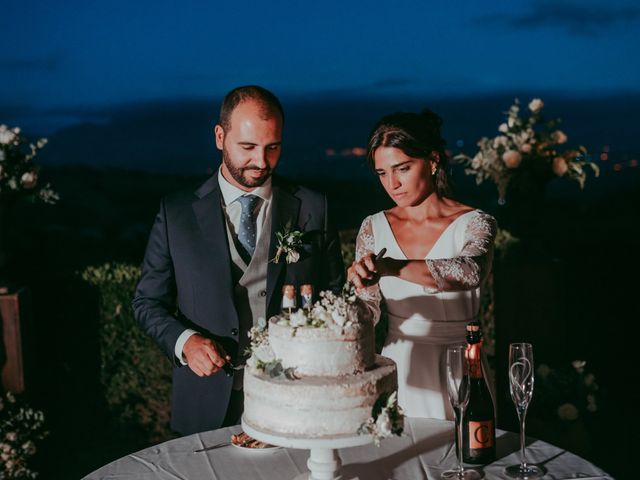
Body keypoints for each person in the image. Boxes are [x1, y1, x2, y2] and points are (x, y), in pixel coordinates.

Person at [133, 85, 345, 435]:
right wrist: (184, 341)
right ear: (220, 136)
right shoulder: (176, 214)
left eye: (273, 148)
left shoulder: (313, 208)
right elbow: (147, 302)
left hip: (295, 395)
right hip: (205, 400)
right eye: (247, 147)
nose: (261, 162)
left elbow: (333, 296)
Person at [348, 110, 497, 420]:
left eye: (402, 168)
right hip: (399, 366)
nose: (393, 183)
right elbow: (368, 312)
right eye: (382, 173)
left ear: (431, 160)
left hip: (462, 365)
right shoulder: (373, 227)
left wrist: (392, 267)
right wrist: (357, 288)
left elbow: (470, 272)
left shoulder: (475, 222)